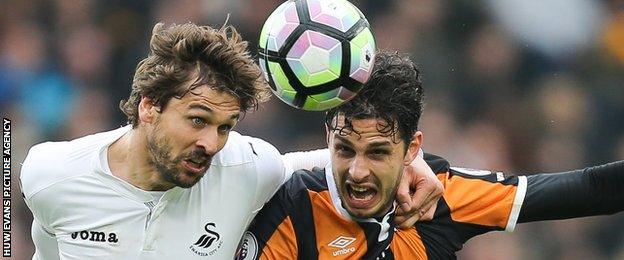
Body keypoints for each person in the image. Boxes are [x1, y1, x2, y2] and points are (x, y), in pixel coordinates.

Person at [18, 23, 442, 259]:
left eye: (225, 126)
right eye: (198, 119)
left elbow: (324, 161)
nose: (212, 142)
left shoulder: (247, 169)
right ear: (149, 106)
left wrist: (409, 162)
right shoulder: (49, 172)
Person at [237, 51, 624, 259]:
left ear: (412, 149)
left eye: (377, 152)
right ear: (327, 140)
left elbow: (594, 189)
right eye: (344, 149)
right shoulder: (292, 206)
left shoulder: (440, 194)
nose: (357, 171)